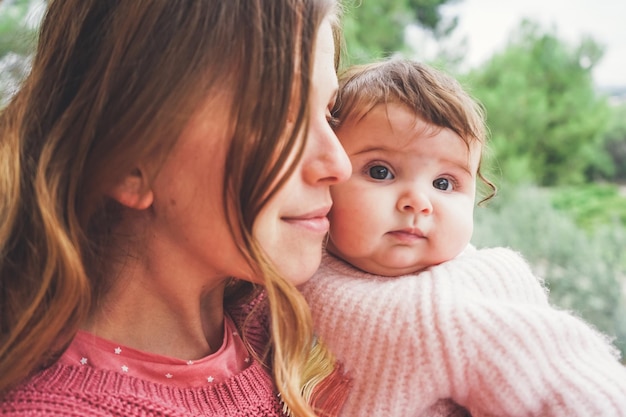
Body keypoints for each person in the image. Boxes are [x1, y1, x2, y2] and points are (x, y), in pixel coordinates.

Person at [0, 1, 354, 416]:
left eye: (329, 115)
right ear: (129, 163)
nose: (339, 165)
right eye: (277, 118)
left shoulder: (278, 319)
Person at [299, 58, 626, 416]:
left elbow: (568, 381)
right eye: (381, 171)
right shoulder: (298, 261)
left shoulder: (458, 300)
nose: (418, 202)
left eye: (444, 183)